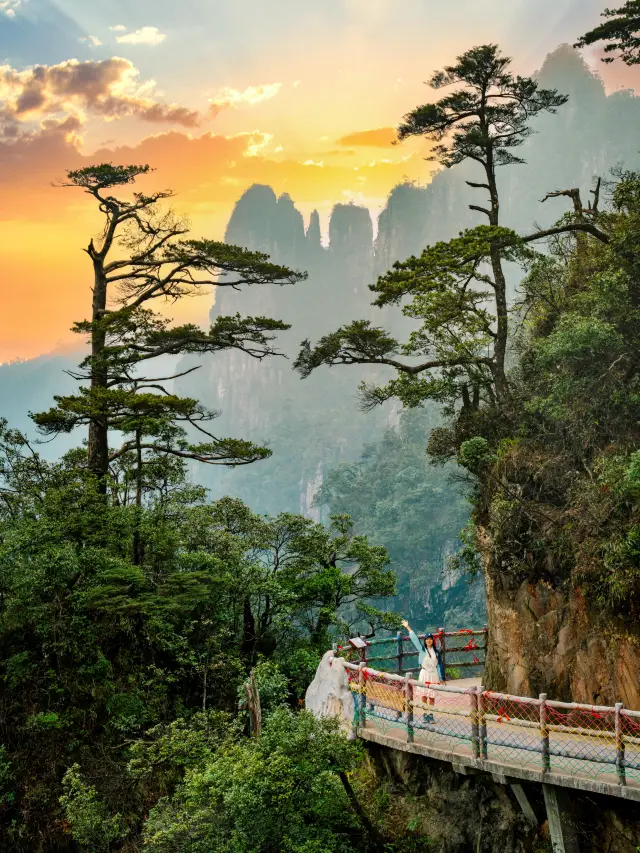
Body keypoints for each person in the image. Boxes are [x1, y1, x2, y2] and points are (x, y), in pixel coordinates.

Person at [401, 620, 445, 706]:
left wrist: (442, 677)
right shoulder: (422, 650)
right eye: (427, 639)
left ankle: (430, 714)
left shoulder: (436, 652)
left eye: (430, 639)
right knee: (424, 695)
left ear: (433, 640)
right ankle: (425, 713)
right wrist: (407, 627)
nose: (429, 641)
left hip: (433, 675)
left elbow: (440, 665)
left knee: (432, 696)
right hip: (424, 674)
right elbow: (415, 639)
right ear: (425, 641)